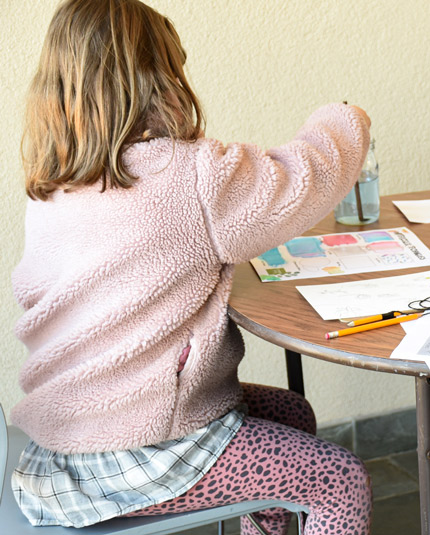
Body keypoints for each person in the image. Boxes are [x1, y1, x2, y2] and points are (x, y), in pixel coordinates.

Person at [10, 1, 372, 534]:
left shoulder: (53, 185)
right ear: (160, 78)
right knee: (338, 479)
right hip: (139, 447)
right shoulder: (188, 174)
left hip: (69, 430)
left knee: (293, 415)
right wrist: (343, 117)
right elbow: (305, 176)